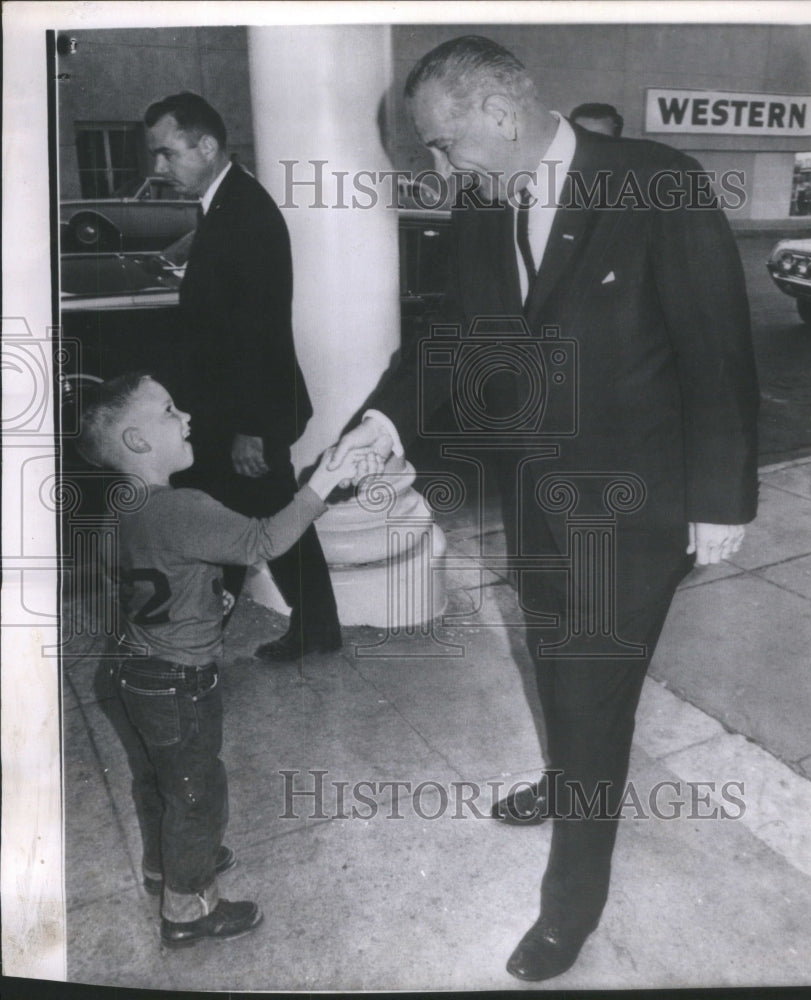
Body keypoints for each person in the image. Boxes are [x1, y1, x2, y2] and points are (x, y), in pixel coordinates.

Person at [331, 36, 759, 981]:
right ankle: (569, 780)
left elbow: (717, 349)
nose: (440, 163)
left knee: (587, 685)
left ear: (499, 111)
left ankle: (572, 904)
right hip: (536, 498)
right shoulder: (484, 210)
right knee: (555, 658)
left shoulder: (657, 183)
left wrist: (721, 500)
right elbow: (453, 341)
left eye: (442, 143)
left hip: (636, 507)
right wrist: (383, 427)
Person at [76, 373, 376, 947]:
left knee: (154, 778)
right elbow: (264, 540)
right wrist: (325, 481)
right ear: (137, 442)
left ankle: (165, 865)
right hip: (177, 683)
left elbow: (146, 580)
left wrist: (207, 597)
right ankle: (189, 909)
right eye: (169, 410)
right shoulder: (183, 507)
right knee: (197, 791)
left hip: (128, 674)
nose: (187, 416)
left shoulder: (116, 509)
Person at [144, 92, 342, 662]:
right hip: (229, 408)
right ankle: (304, 628)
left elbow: (263, 329)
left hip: (244, 414)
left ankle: (202, 635)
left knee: (257, 516)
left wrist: (254, 428)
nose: (158, 169)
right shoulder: (225, 204)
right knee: (254, 517)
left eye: (166, 153)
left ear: (206, 146)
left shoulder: (244, 214)